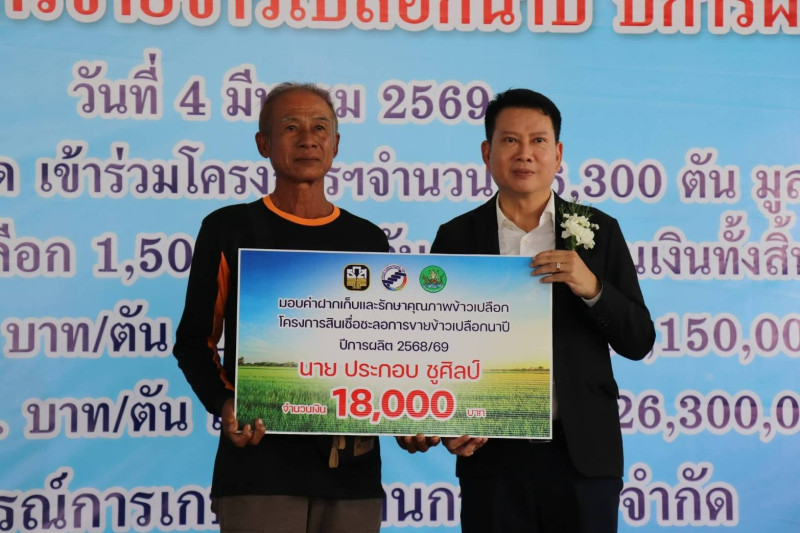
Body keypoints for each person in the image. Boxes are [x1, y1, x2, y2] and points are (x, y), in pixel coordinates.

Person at [398, 88, 655, 533]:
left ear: (558, 154)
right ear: (487, 152)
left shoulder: (599, 231)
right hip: (492, 455)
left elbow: (639, 340)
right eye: (510, 140)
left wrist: (591, 287)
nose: (524, 153)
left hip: (582, 456)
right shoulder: (457, 237)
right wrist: (445, 420)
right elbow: (435, 345)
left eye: (538, 141)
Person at [173, 82, 390, 533]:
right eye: (291, 128)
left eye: (320, 128)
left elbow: (384, 349)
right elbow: (195, 341)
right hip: (259, 466)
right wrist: (225, 402)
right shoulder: (229, 228)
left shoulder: (367, 240)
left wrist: (417, 417)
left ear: (335, 145)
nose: (308, 139)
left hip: (352, 473)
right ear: (264, 144)